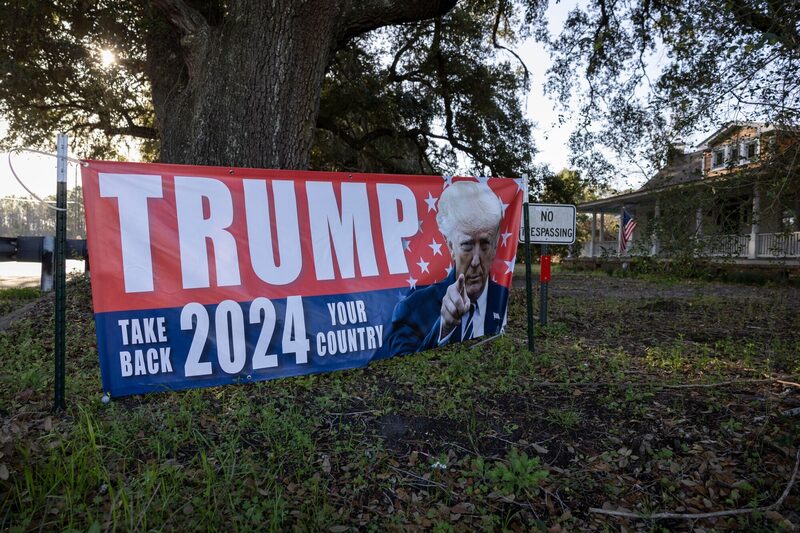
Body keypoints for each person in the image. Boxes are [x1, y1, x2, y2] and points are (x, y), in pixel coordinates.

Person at [380, 180, 509, 357]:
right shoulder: (413, 309)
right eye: (467, 245)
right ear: (450, 246)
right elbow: (400, 368)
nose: (476, 261)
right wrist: (443, 328)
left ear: (495, 245)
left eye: (485, 244)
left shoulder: (503, 298)